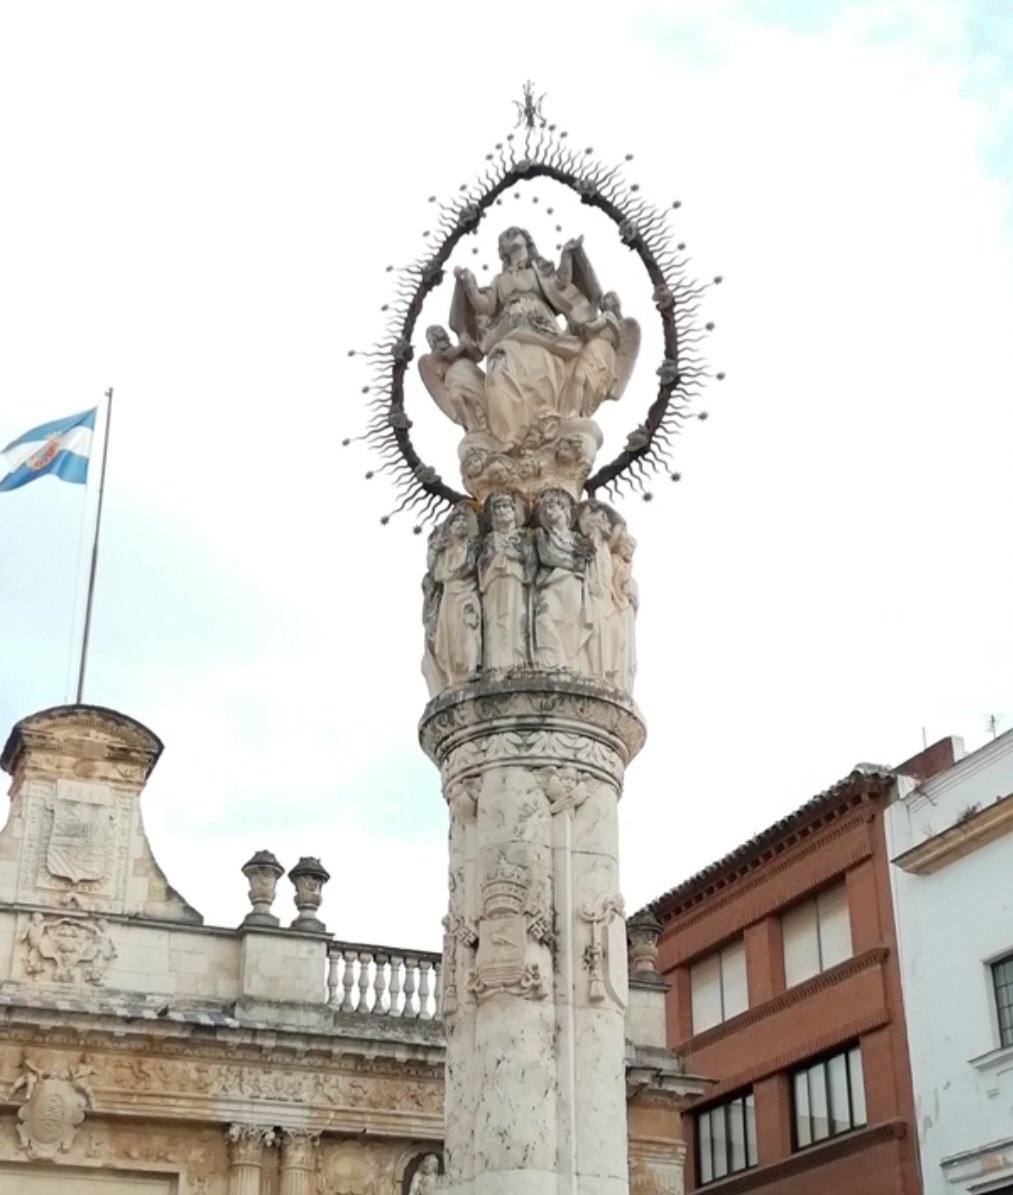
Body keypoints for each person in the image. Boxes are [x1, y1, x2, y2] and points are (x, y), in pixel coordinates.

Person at [531, 490, 592, 670]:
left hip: (571, 585)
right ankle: (552, 662)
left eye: (551, 507)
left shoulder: (577, 539)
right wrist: (571, 563)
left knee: (570, 624)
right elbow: (547, 556)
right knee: (543, 618)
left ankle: (570, 665)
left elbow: (583, 563)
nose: (548, 513)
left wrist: (572, 564)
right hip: (550, 583)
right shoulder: (542, 535)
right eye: (544, 510)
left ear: (564, 509)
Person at [478, 492, 534, 671]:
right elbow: (480, 564)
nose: (501, 511)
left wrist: (516, 555)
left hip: (515, 580)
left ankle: (516, 662)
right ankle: (495, 663)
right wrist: (492, 558)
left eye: (505, 506)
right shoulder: (489, 540)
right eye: (497, 508)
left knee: (515, 618)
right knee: (494, 622)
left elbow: (531, 560)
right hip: (493, 583)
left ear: (514, 510)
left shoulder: (524, 535)